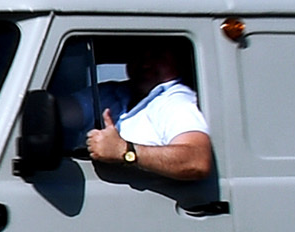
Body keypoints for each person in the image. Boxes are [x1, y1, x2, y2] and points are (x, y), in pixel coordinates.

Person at [85, 39, 212, 182]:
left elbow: (197, 161)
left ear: (179, 62)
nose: (145, 64)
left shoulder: (175, 101)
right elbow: (64, 110)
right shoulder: (114, 91)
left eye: (158, 56)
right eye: (137, 55)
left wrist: (125, 150)